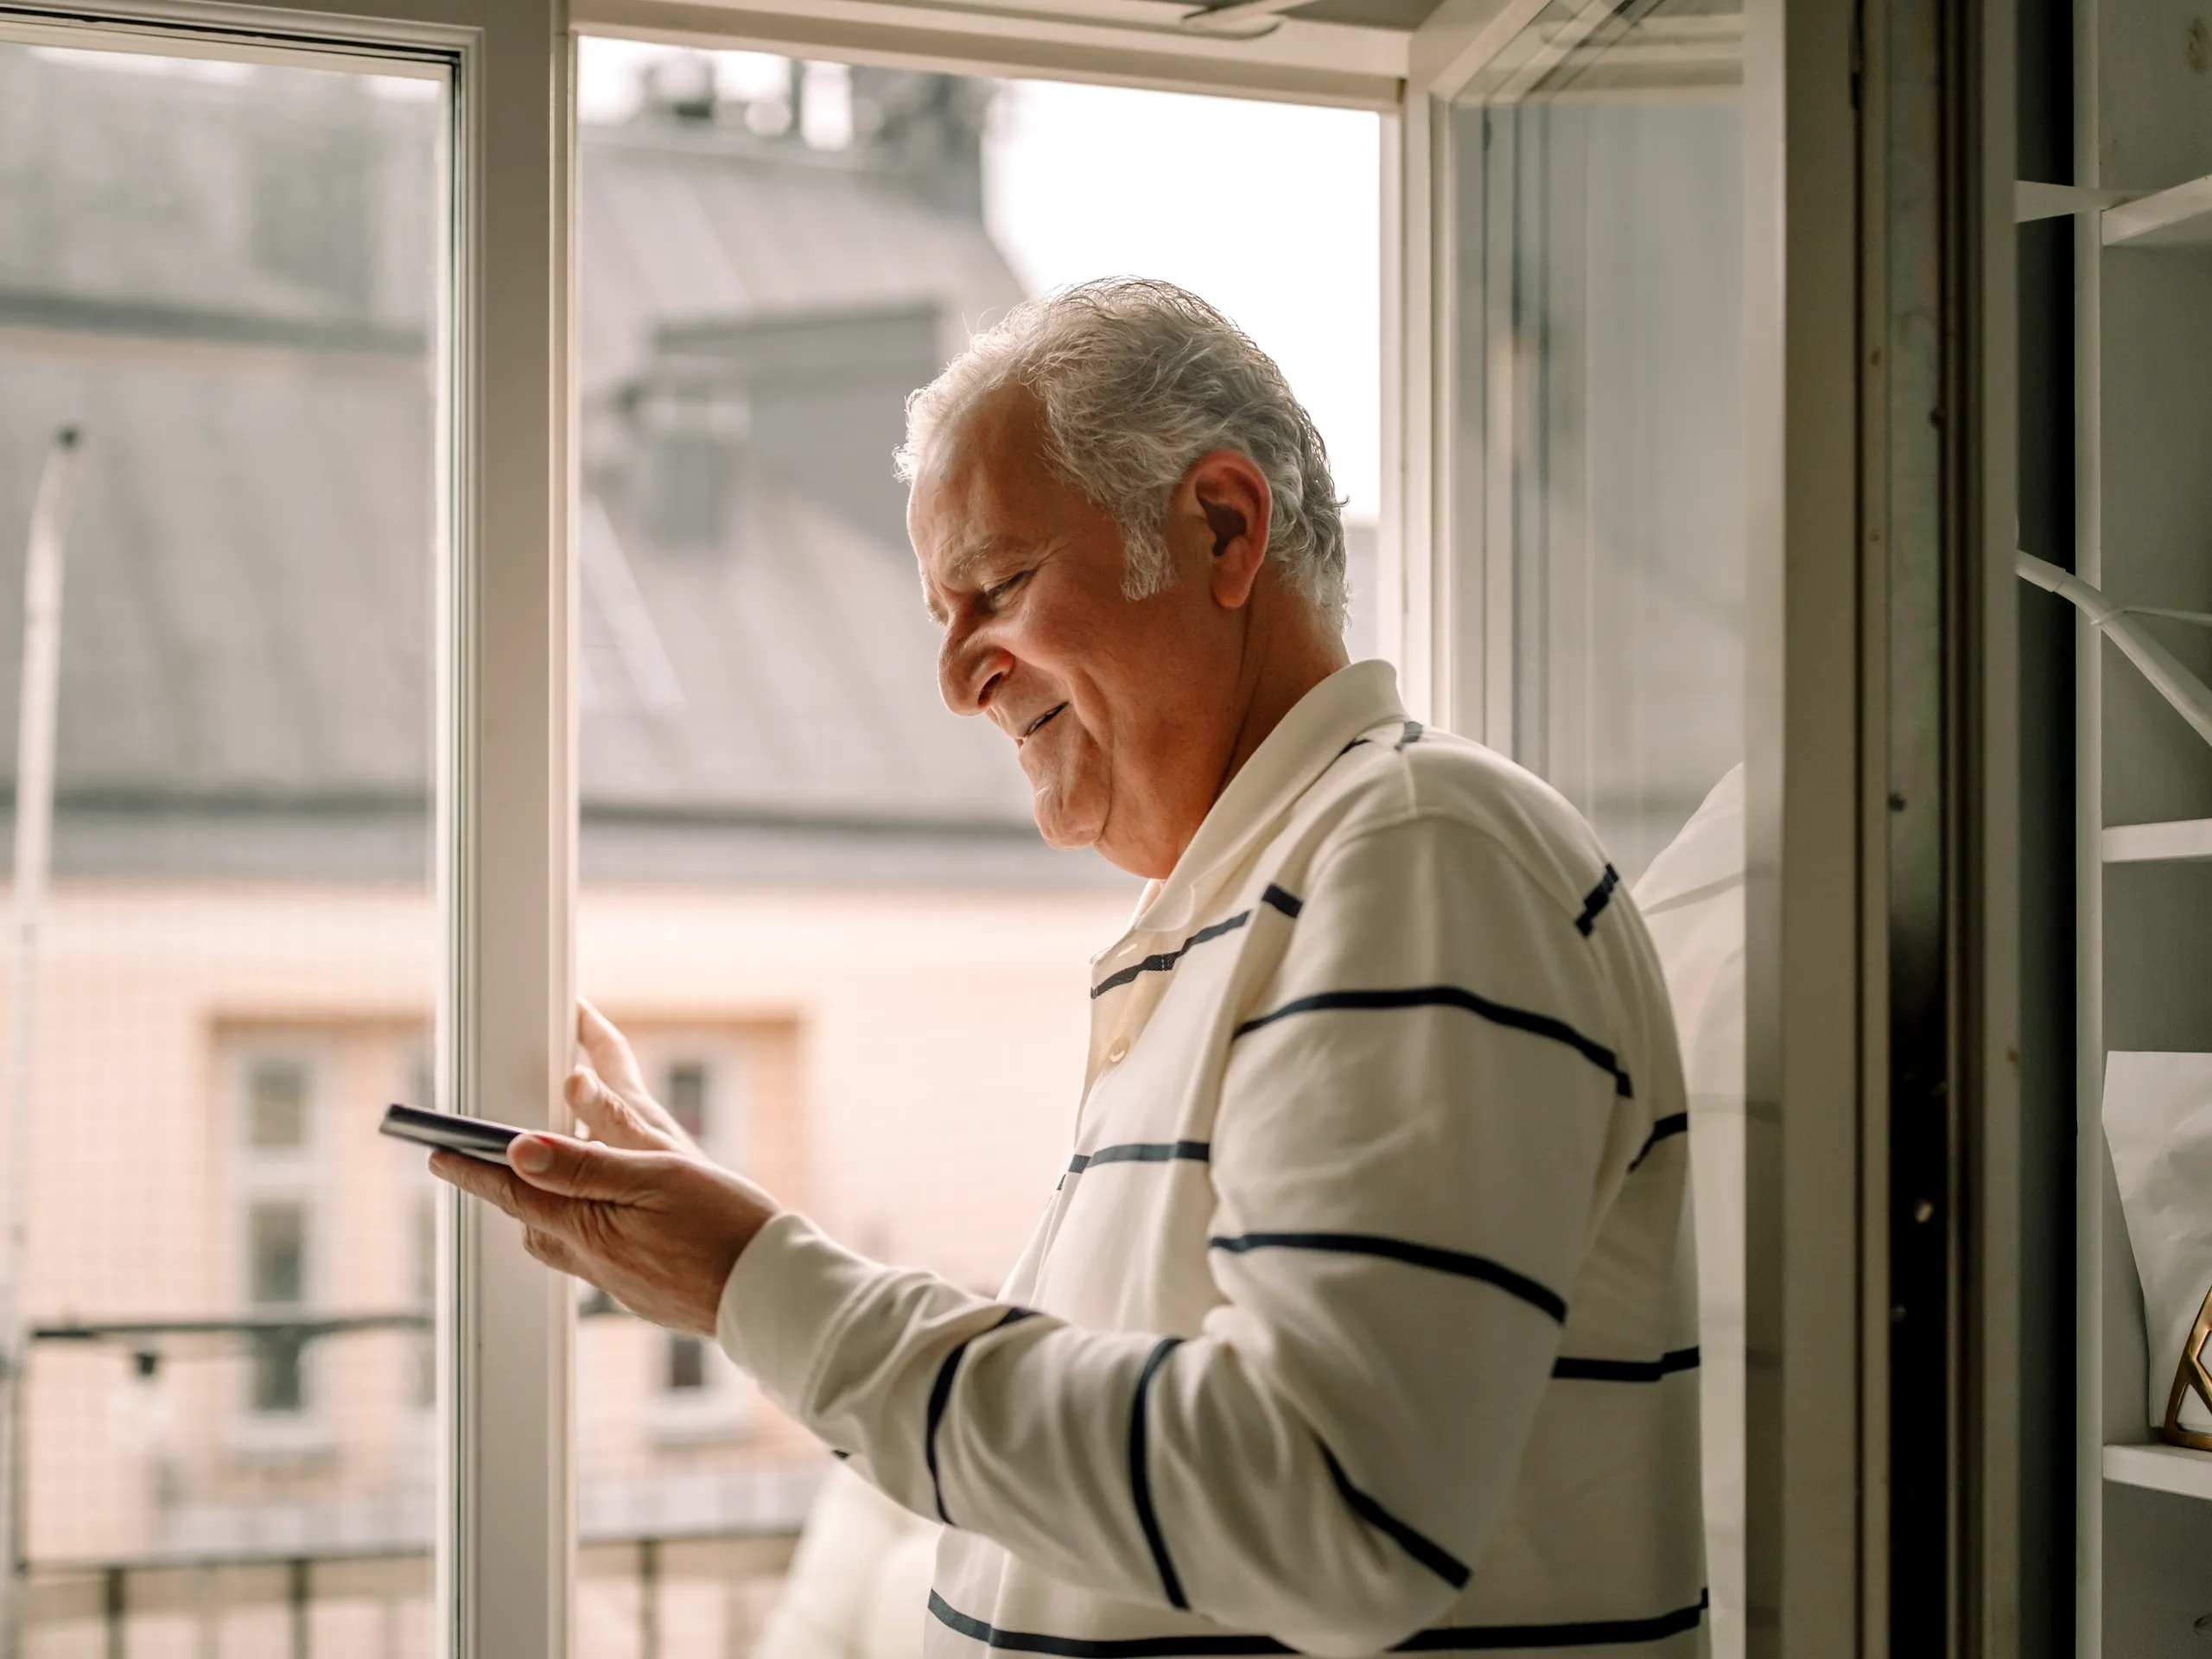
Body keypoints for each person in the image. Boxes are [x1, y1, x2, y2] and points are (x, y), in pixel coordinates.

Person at [431, 278, 1707, 1656]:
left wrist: (754, 1281)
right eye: (939, 609)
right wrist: (726, 1258)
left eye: (996, 587)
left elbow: (1339, 1510)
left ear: (1223, 527)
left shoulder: (1416, 848)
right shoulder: (1265, 893)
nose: (956, 677)